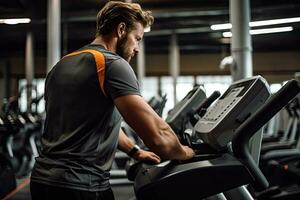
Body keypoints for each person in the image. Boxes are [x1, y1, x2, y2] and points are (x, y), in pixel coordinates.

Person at [30, 1, 195, 200]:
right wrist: (187, 153)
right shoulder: (112, 64)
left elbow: (91, 123)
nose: (137, 49)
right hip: (81, 186)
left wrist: (134, 151)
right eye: (137, 39)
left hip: (42, 181)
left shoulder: (61, 65)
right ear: (121, 29)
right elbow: (158, 137)